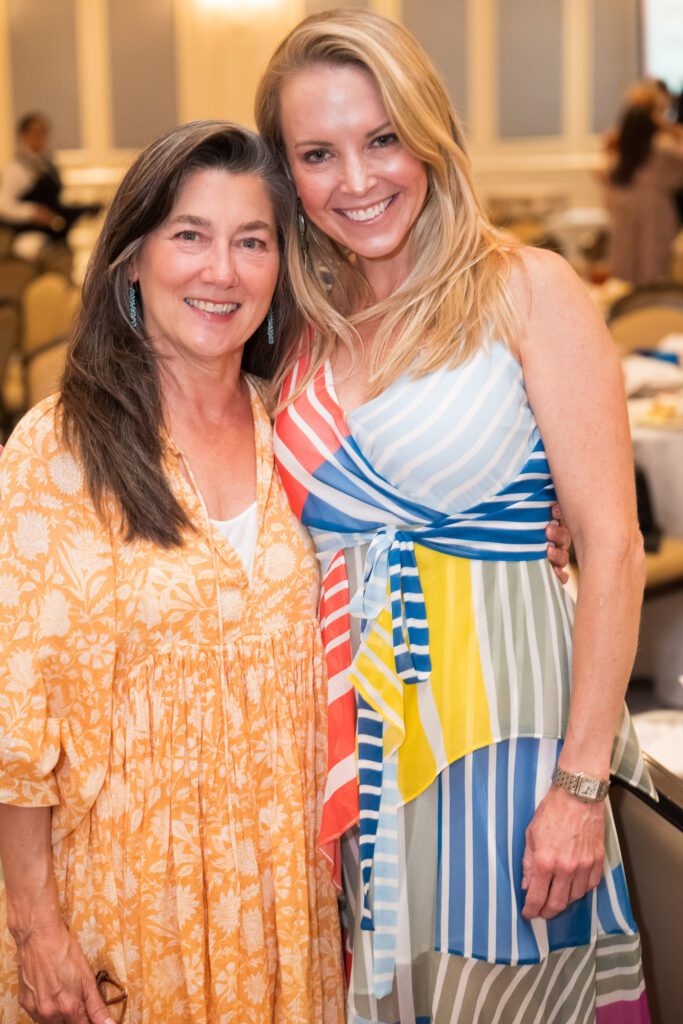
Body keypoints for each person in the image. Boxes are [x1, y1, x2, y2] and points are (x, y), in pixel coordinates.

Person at [255, 10, 653, 1023]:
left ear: (428, 133)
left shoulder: (525, 290)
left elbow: (610, 545)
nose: (356, 178)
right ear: (286, 172)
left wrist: (577, 785)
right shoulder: (301, 329)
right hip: (357, 746)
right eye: (317, 152)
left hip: (511, 745)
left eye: (381, 138)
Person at [0, 121, 345, 1023]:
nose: (219, 271)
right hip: (121, 912)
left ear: (281, 270)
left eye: (252, 241)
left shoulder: (304, 433)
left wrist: (534, 524)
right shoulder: (59, 449)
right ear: (131, 261)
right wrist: (37, 928)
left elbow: (408, 562)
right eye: (189, 234)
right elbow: (13, 720)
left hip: (291, 904)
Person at [0, 112, 101, 261]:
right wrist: (33, 213)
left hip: (56, 235)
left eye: (43, 132)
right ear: (23, 135)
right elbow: (3, 205)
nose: (40, 137)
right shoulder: (17, 169)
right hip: (30, 236)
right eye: (35, 132)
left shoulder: (48, 165)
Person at [605, 100, 683, 284]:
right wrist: (671, 130)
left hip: (628, 231)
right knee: (653, 269)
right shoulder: (662, 155)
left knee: (628, 271)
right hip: (656, 222)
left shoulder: (622, 159)